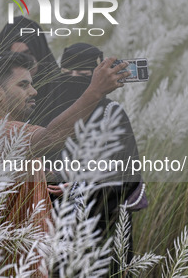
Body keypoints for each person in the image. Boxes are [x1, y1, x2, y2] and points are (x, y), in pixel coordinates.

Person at [0, 51, 128, 275]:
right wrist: (95, 91)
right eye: (23, 85)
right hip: (13, 268)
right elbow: (52, 137)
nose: (34, 91)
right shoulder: (2, 131)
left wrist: (46, 180)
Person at [53, 42, 147, 266]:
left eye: (84, 75)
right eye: (68, 74)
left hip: (102, 234)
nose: (75, 80)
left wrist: (79, 186)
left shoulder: (111, 113)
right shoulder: (49, 111)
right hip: (53, 232)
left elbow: (128, 177)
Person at [0, 16, 61, 127]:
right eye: (15, 57)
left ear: (40, 53)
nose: (24, 62)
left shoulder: (65, 91)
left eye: (28, 54)